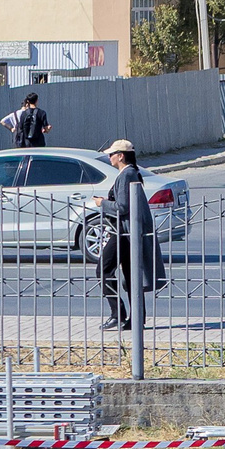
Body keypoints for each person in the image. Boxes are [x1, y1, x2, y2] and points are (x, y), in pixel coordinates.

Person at [95, 140, 165, 331]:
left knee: (103, 270)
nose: (109, 157)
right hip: (129, 230)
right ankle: (136, 319)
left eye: (112, 154)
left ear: (121, 156)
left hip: (125, 231)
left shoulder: (127, 174)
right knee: (131, 275)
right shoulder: (129, 173)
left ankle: (118, 314)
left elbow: (123, 207)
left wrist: (102, 203)